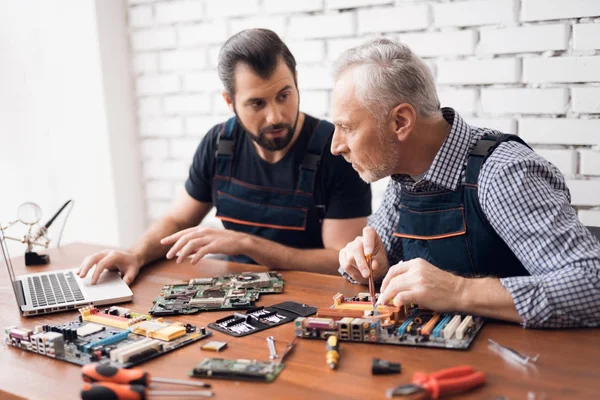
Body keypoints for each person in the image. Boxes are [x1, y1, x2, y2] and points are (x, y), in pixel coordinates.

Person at [333, 38, 600, 328]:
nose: (336, 146)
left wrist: (458, 291)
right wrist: (370, 265)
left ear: (400, 122)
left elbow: (591, 284)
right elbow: (379, 259)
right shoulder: (404, 171)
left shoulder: (504, 174)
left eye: (347, 127)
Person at [77, 29, 371, 285]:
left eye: (284, 95)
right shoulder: (219, 145)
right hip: (239, 294)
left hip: (313, 300)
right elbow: (178, 219)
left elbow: (342, 263)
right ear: (230, 101)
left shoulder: (336, 151)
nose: (275, 116)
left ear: (296, 81)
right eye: (257, 103)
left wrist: (246, 243)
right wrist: (135, 253)